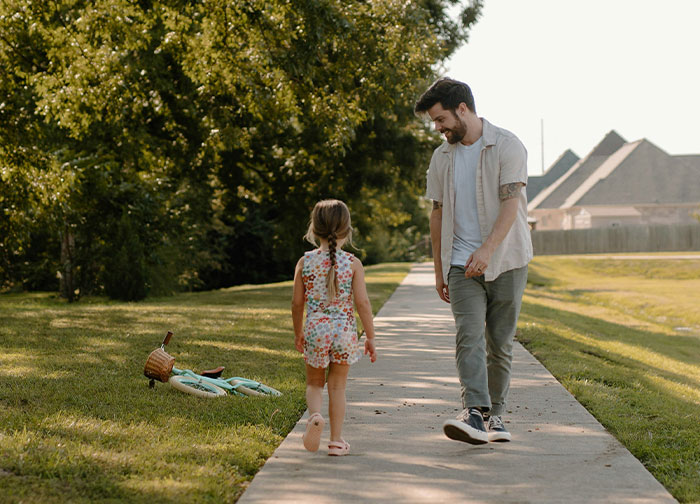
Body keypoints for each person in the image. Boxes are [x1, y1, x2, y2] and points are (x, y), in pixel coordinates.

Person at [414, 77, 533, 445]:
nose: (438, 127)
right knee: (468, 335)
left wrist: (487, 250)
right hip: (460, 264)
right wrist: (439, 268)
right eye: (434, 122)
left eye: (440, 119)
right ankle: (475, 413)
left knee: (500, 343)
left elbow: (511, 206)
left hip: (507, 260)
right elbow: (437, 213)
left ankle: (496, 416)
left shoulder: (507, 145)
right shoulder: (442, 157)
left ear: (462, 109)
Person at [291, 199, 377, 456]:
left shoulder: (304, 262)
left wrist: (298, 332)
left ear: (314, 229)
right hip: (344, 332)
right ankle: (337, 441)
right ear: (347, 230)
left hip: (316, 330)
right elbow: (362, 303)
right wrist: (370, 337)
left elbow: (297, 304)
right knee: (337, 387)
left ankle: (315, 416)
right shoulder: (353, 263)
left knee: (315, 383)